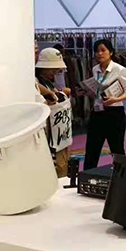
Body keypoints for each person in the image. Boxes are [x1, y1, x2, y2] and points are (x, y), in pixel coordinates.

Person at [82, 39, 126, 170]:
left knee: (117, 150)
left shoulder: (119, 69)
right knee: (92, 149)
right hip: (97, 112)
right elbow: (97, 91)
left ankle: (121, 177)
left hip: (114, 113)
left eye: (103, 50)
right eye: (97, 51)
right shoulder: (95, 69)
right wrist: (88, 92)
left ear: (111, 52)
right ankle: (88, 176)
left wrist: (116, 99)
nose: (99, 54)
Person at [35, 48, 72, 177]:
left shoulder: (46, 82)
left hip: (58, 134)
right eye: (52, 69)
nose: (55, 72)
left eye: (57, 70)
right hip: (49, 135)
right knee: (55, 168)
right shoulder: (37, 82)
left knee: (61, 165)